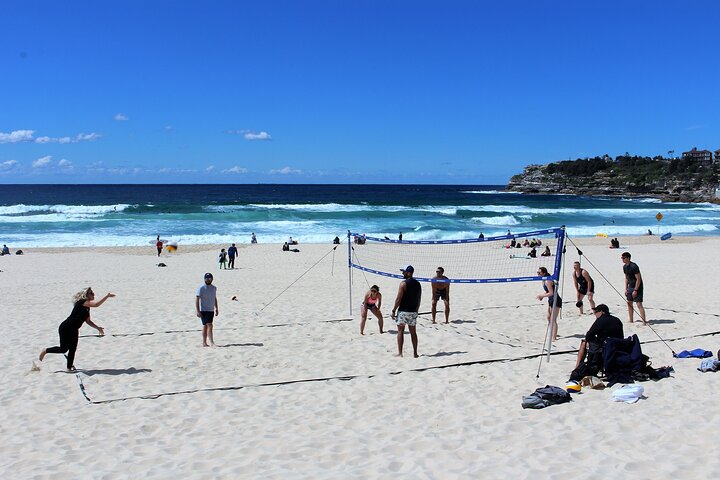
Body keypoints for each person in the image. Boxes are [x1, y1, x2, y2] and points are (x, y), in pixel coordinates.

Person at [39, 287, 115, 371]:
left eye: (93, 292)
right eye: (91, 293)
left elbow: (88, 321)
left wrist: (98, 328)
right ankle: (45, 350)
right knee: (63, 349)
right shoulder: (82, 302)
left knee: (72, 349)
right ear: (86, 295)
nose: (93, 294)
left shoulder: (87, 307)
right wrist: (107, 296)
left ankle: (69, 368)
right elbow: (96, 304)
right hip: (66, 327)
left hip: (74, 329)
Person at [391, 265, 421, 358]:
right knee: (413, 332)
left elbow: (398, 298)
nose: (402, 273)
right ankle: (415, 353)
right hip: (413, 311)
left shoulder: (403, 284)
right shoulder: (418, 284)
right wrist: (416, 310)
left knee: (400, 331)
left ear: (409, 273)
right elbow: (419, 298)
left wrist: (393, 310)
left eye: (404, 272)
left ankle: (400, 353)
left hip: (403, 311)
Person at [536, 267, 561, 341]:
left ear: (544, 273)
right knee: (548, 317)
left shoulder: (548, 281)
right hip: (551, 299)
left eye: (539, 273)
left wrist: (542, 295)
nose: (538, 274)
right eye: (537, 272)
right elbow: (548, 292)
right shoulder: (544, 280)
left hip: (556, 299)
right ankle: (553, 332)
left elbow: (551, 292)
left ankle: (554, 337)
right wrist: (543, 296)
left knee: (553, 319)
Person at [621, 252, 646, 324]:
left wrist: (636, 290)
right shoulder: (624, 267)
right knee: (629, 302)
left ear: (628, 258)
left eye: (624, 258)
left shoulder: (634, 266)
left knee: (639, 304)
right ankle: (631, 320)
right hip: (630, 286)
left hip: (637, 286)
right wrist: (626, 288)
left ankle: (644, 321)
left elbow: (638, 279)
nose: (622, 259)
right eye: (622, 258)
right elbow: (626, 278)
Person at [196, 273, 219, 347]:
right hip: (204, 310)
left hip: (211, 310)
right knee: (210, 325)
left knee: (205, 326)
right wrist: (198, 311)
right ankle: (212, 342)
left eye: (210, 278)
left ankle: (204, 342)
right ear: (204, 279)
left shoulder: (214, 288)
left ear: (212, 279)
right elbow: (197, 300)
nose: (208, 280)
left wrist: (216, 308)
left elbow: (214, 298)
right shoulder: (201, 288)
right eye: (207, 278)